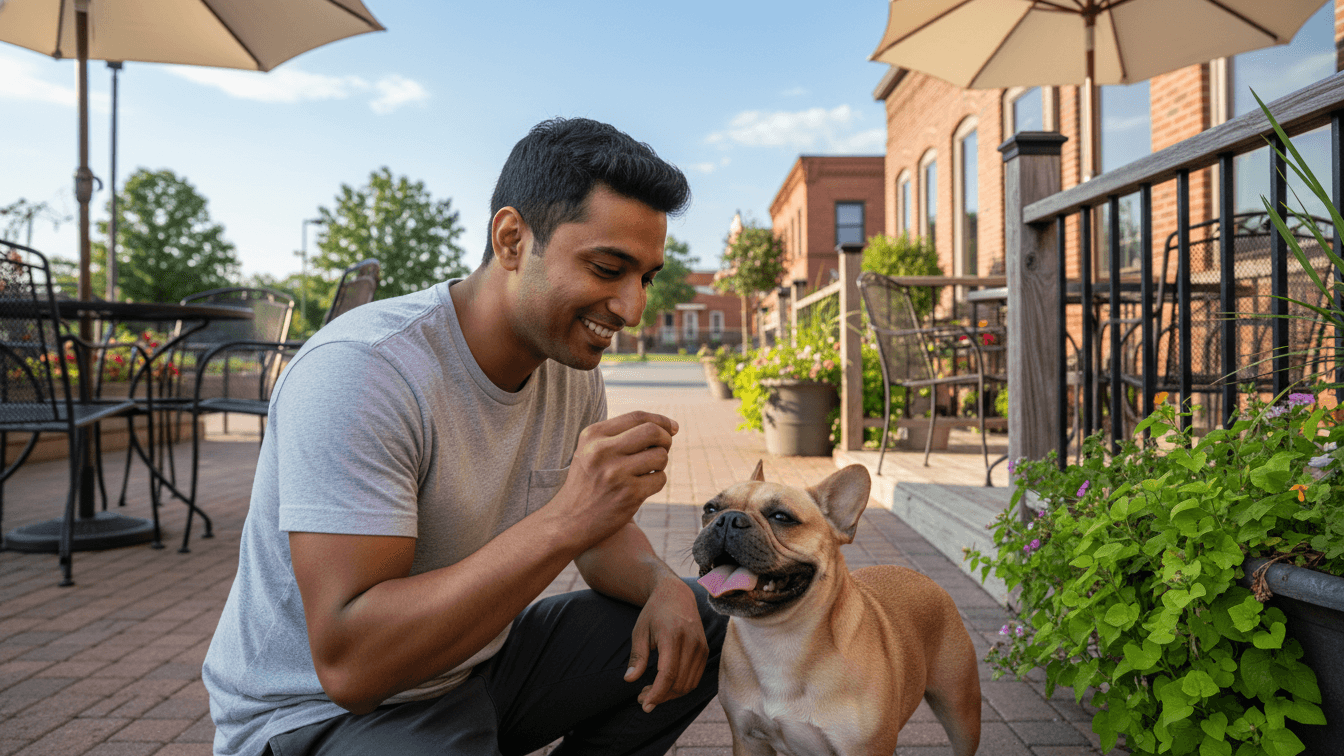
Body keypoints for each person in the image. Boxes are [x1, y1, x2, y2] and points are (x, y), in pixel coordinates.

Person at [203, 117, 727, 756]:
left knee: (706, 621)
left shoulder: (565, 362)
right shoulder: (367, 372)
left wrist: (661, 584)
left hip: (471, 671)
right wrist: (564, 520)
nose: (631, 307)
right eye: (607, 268)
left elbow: (601, 532)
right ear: (512, 239)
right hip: (321, 717)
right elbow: (352, 665)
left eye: (643, 277)